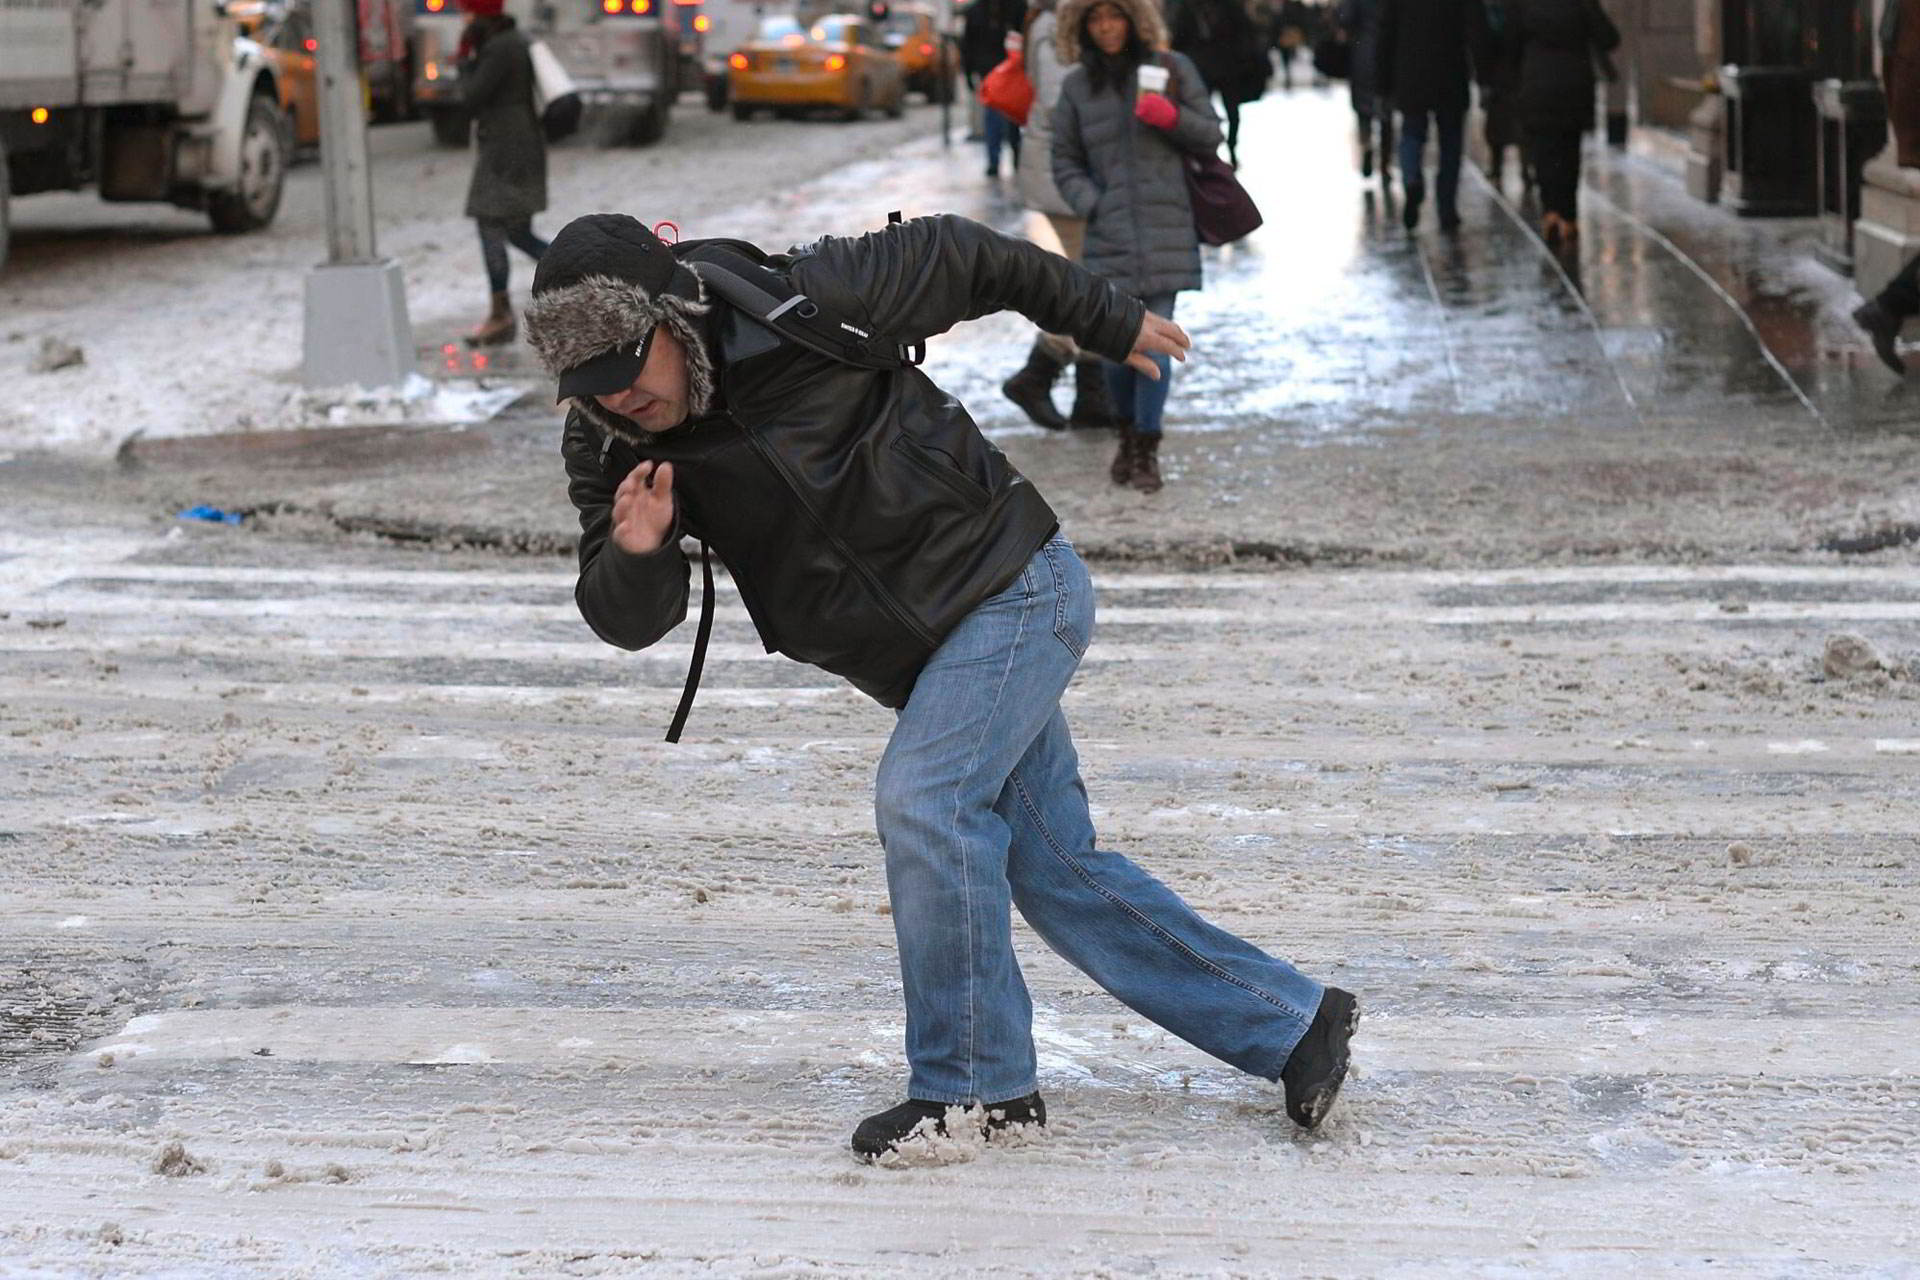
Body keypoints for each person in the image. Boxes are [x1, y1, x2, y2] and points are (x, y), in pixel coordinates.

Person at [520, 212, 1360, 1162]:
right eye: (591, 386)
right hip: (919, 663)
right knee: (1057, 869)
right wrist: (636, 552)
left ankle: (974, 1086)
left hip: (1013, 586)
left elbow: (970, 256)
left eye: (630, 365)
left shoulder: (798, 298)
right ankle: (1292, 1024)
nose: (620, 398)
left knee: (925, 800)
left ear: (671, 317)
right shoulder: (610, 444)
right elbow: (627, 616)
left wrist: (1106, 320)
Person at [1052, 0, 1222, 493]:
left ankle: (1146, 448)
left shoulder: (1171, 69)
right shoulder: (1077, 87)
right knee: (1113, 350)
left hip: (1167, 228)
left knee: (1158, 347)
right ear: (1083, 26)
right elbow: (1062, 158)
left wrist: (1171, 117)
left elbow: (1210, 133)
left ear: (1133, 19)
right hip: (1110, 235)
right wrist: (1092, 201)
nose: (1106, 28)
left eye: (1115, 15)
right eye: (1096, 19)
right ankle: (1127, 436)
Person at [1003, 0, 1127, 431]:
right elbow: (1063, 102)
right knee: (1094, 283)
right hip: (1066, 174)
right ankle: (1040, 375)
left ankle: (1090, 395)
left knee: (1098, 280)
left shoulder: (1063, 22)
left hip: (1076, 170)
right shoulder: (1057, 27)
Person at [456, 0, 550, 347]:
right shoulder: (510, 40)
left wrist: (465, 61)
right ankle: (580, 275)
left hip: (506, 150)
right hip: (517, 144)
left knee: (491, 223)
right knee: (517, 232)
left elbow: (472, 96)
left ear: (480, 13)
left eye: (466, 10)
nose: (463, 17)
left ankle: (500, 315)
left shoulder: (499, 47)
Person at [1502, 0, 1618, 244]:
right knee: (1569, 150)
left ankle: (1550, 211)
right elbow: (1609, 38)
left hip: (1537, 83)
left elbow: (1509, 45)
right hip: (1574, 84)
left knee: (1544, 150)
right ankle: (1568, 215)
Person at [1375, 0, 1492, 233]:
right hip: (1450, 71)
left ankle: (1411, 180)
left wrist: (1382, 86)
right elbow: (1477, 28)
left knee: (1411, 134)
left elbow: (1385, 32)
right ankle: (1446, 207)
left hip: (1410, 73)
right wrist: (1484, 76)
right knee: (1451, 143)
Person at [1170, 0, 1268, 170]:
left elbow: (1244, 33)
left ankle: (1231, 148)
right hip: (1200, 70)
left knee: (1232, 112)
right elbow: (1180, 37)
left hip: (1227, 68)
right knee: (1202, 112)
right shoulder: (1188, 7)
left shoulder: (1229, 6)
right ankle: (1208, 152)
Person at [964, 0, 1028, 176]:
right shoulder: (976, 11)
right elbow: (969, 44)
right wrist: (969, 71)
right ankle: (996, 160)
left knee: (1011, 116)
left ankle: (1009, 157)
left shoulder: (1014, 7)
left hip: (1009, 70)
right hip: (991, 71)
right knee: (996, 117)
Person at [1337, 0, 1392, 188]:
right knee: (1386, 110)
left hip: (1361, 54)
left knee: (1363, 110)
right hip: (1386, 53)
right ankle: (1385, 162)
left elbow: (1345, 17)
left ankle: (1367, 145)